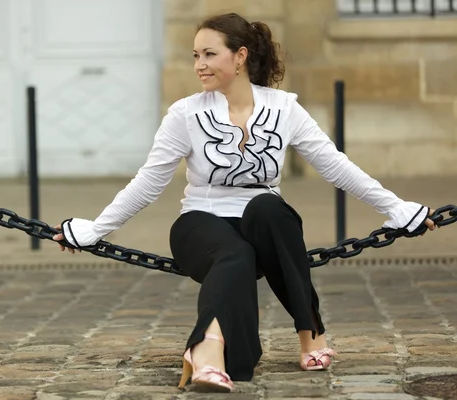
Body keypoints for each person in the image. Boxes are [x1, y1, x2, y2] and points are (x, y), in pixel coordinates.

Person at [53, 12, 437, 393]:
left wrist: (397, 208)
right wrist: (95, 229)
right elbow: (148, 182)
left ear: (239, 56)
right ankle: (207, 350)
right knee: (234, 254)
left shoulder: (284, 108)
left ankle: (309, 333)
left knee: (269, 208)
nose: (199, 65)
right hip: (200, 223)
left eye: (208, 54)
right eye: (195, 56)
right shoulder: (185, 114)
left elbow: (336, 166)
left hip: (262, 227)